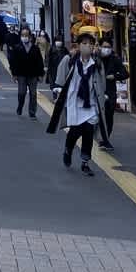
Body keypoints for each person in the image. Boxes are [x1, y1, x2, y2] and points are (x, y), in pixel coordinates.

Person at [48, 32, 107, 176]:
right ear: (79, 45)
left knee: (88, 131)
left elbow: (101, 83)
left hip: (91, 103)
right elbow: (60, 79)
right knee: (75, 131)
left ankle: (85, 162)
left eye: (90, 44)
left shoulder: (97, 63)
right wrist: (58, 90)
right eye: (85, 43)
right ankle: (68, 150)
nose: (88, 46)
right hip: (74, 102)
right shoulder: (70, 60)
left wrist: (102, 97)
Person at [98, 39, 129, 152]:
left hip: (110, 92)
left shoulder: (115, 59)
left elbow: (125, 74)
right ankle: (102, 139)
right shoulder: (95, 58)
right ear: (100, 46)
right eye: (105, 46)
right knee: (98, 116)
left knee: (108, 116)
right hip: (97, 91)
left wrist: (114, 76)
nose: (107, 49)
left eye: (109, 47)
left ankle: (105, 140)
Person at [8, 26, 45, 119]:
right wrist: (14, 74)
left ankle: (32, 112)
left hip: (33, 74)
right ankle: (20, 106)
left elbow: (39, 61)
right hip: (21, 74)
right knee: (22, 93)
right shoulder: (17, 47)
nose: (25, 37)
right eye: (23, 35)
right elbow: (13, 62)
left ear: (30, 36)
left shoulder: (35, 48)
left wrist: (41, 74)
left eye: (26, 35)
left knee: (33, 94)